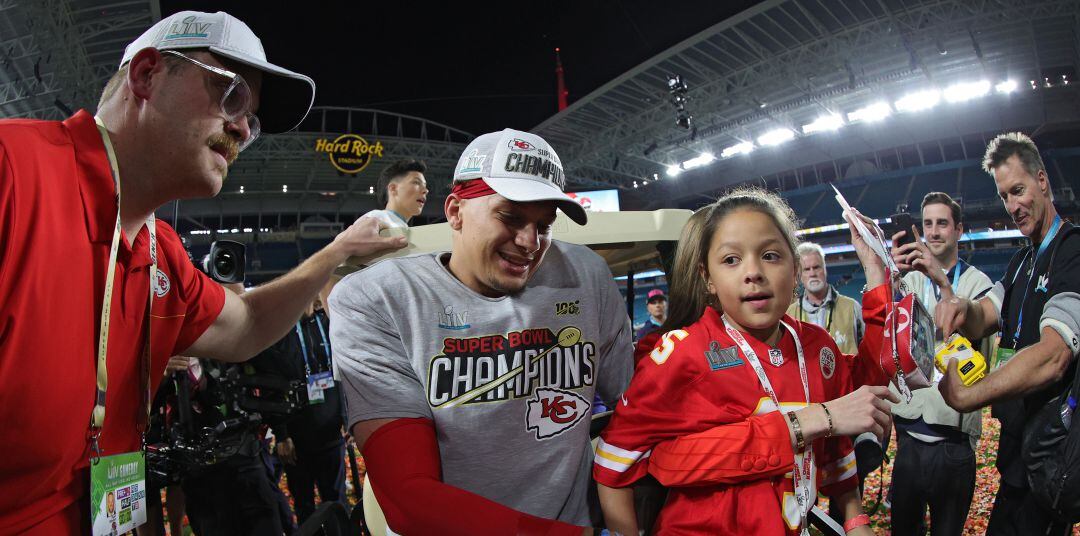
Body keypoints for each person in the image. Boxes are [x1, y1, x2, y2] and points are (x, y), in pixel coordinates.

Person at [0, 11, 405, 534]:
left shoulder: (159, 250)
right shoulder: (13, 172)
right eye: (231, 95)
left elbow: (246, 326)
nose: (242, 127)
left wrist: (337, 251)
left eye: (252, 120)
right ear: (146, 76)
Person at [328, 128, 633, 535]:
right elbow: (409, 496)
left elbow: (638, 409)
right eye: (510, 216)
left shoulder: (585, 274)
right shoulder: (378, 299)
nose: (529, 241)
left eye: (544, 224)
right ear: (455, 211)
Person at [593, 187, 897, 535]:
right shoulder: (679, 353)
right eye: (731, 259)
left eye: (770, 255)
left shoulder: (816, 346)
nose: (753, 272)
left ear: (795, 268)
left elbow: (845, 427)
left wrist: (856, 521)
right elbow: (615, 459)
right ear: (707, 277)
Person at [933, 132, 1080, 536]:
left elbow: (1054, 357)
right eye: (1003, 197)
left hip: (1053, 459)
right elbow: (985, 315)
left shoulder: (1072, 252)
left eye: (1018, 190)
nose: (1012, 206)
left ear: (1043, 181)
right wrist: (961, 308)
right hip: (1019, 457)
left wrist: (969, 396)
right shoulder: (1021, 260)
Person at [888, 192, 994, 536]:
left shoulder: (979, 283)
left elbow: (972, 333)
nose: (933, 232)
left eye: (942, 223)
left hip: (954, 440)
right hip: (909, 435)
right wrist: (890, 274)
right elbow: (889, 334)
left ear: (959, 229)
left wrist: (942, 281)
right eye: (928, 224)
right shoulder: (908, 279)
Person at [787, 242, 863, 354]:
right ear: (800, 276)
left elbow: (870, 350)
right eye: (807, 269)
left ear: (824, 269)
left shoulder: (852, 307)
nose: (812, 273)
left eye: (816, 267)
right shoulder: (790, 314)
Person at [364, 159, 429, 228]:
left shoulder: (401, 227)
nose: (426, 190)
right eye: (416, 182)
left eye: (425, 185)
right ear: (393, 188)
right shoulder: (376, 218)